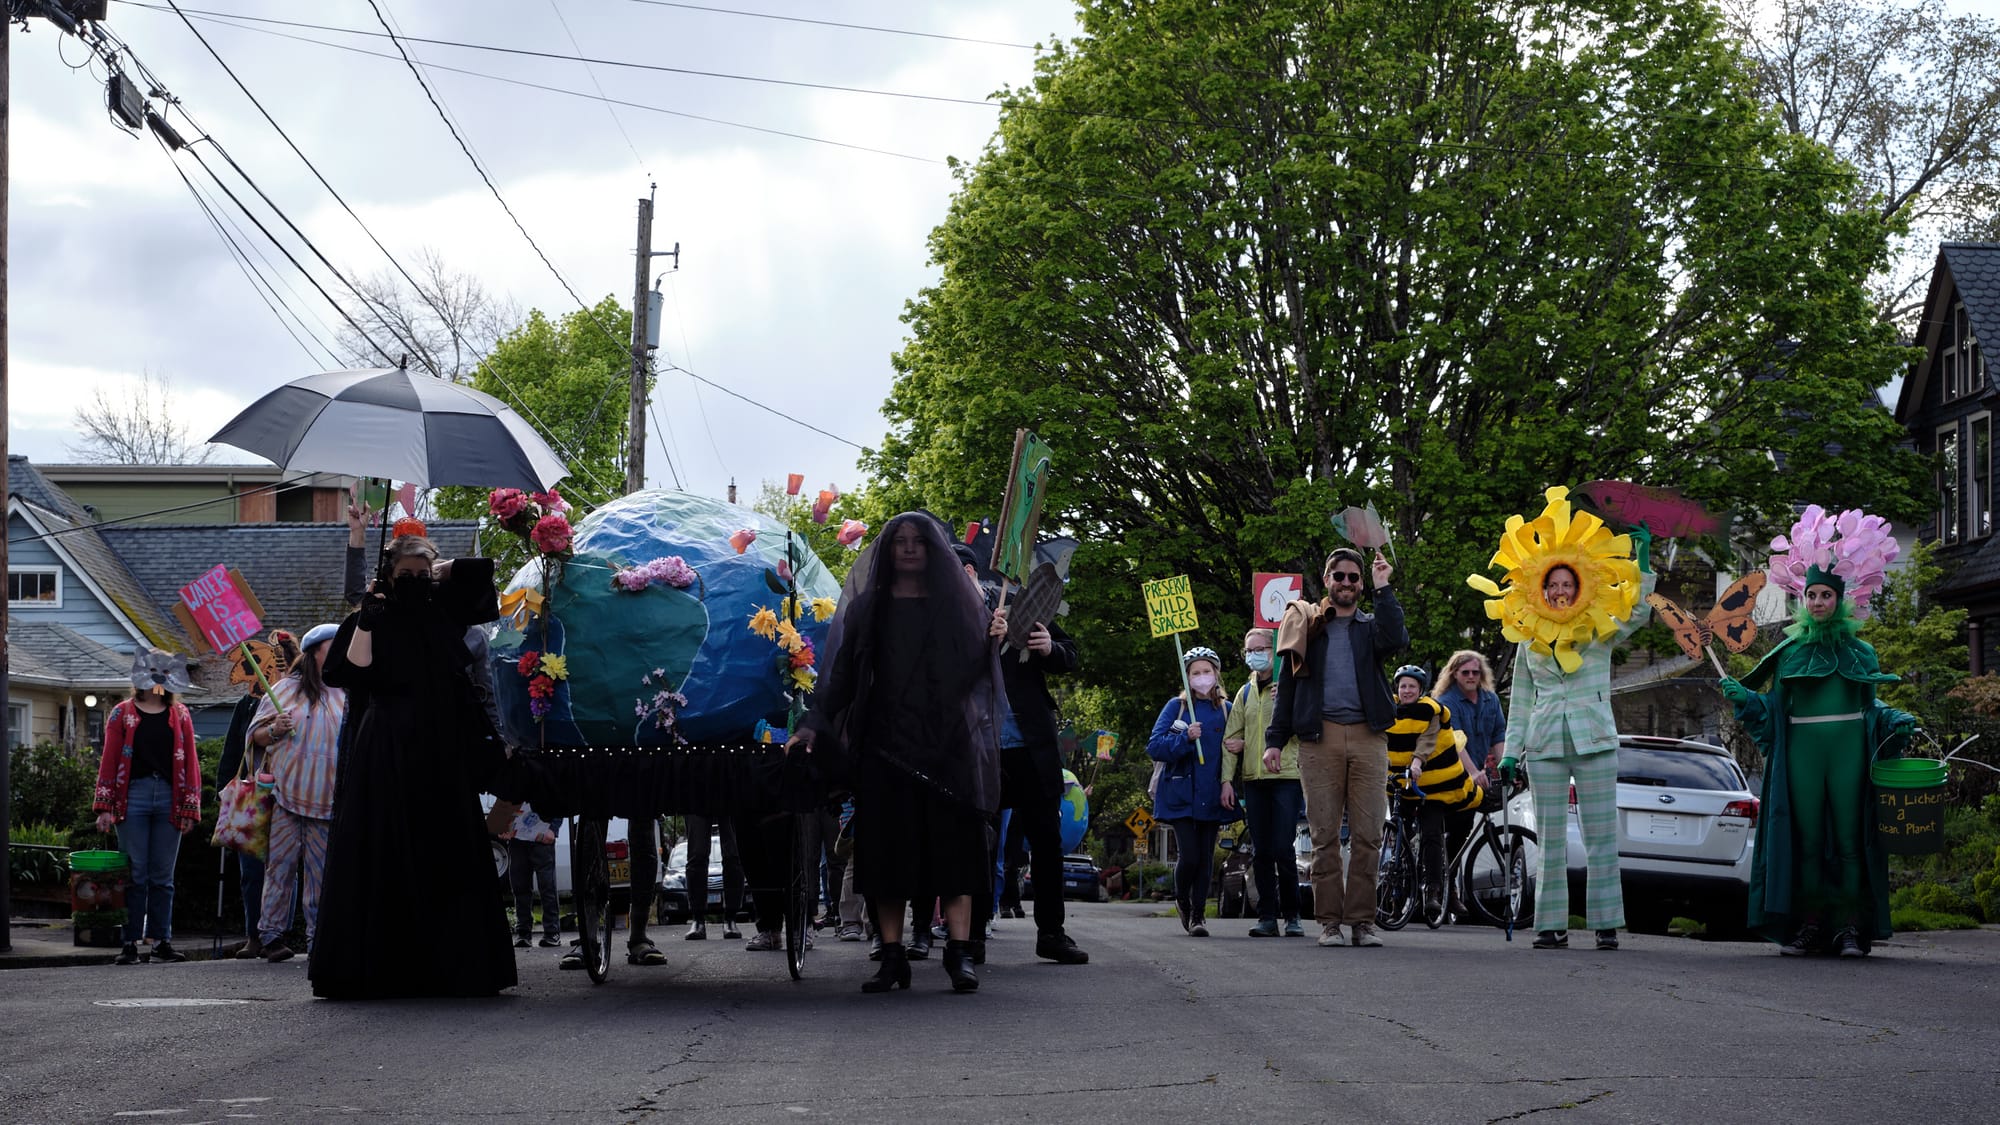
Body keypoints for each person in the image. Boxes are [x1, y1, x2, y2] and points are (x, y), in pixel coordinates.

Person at [788, 512, 1002, 994]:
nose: (908, 549)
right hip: (884, 745)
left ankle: (959, 955)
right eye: (899, 541)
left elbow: (973, 675)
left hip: (948, 744)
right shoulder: (868, 608)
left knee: (955, 853)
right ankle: (890, 958)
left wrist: (991, 640)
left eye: (917, 541)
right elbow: (841, 675)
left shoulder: (957, 605)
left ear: (932, 549)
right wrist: (812, 725)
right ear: (886, 550)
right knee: (885, 855)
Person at [312, 531, 517, 999]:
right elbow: (351, 672)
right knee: (383, 846)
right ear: (389, 574)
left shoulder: (445, 612)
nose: (416, 581)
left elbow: (481, 579)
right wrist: (367, 617)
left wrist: (437, 569)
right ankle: (381, 966)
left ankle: (450, 966)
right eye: (407, 575)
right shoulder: (372, 615)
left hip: (442, 745)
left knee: (445, 849)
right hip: (386, 743)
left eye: (423, 575)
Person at [1720, 564, 1913, 957]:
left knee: (1849, 841)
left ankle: (1849, 928)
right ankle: (1808, 923)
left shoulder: (1862, 652)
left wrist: (1894, 718)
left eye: (1826, 595)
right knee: (1806, 842)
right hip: (1802, 753)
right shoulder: (1789, 651)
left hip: (1849, 752)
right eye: (1812, 595)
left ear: (1840, 600)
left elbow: (1871, 707)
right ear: (1802, 599)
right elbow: (1773, 708)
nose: (1819, 602)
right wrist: (1745, 699)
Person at [1503, 528, 1655, 951]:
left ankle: (1606, 924)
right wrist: (1511, 753)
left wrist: (1642, 559)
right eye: (1552, 585)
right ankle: (1550, 925)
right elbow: (1520, 701)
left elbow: (1639, 612)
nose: (1560, 592)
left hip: (1595, 740)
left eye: (1567, 584)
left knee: (1601, 834)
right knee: (1550, 839)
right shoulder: (1528, 635)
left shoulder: (1597, 627)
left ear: (1579, 587)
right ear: (1542, 589)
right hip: (1546, 743)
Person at [958, 541, 1090, 966]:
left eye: (967, 569)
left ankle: (1051, 932)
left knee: (1047, 843)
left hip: (1031, 747)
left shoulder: (1022, 604)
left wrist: (1048, 646)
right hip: (980, 748)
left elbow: (1070, 656)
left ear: (978, 572)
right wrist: (982, 639)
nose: (963, 577)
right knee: (978, 844)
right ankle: (971, 936)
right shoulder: (949, 619)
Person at [1268, 547, 1406, 948]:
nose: (1346, 583)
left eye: (1354, 577)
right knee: (1323, 835)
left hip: (1368, 736)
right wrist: (1275, 741)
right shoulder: (1308, 627)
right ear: (1326, 579)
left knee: (1368, 835)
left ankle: (1363, 922)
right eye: (1339, 576)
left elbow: (1397, 638)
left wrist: (1384, 587)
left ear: (1361, 584)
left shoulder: (1370, 626)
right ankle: (1329, 923)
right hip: (1319, 738)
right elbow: (1288, 686)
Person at [93, 651, 202, 965]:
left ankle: (160, 941)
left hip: (169, 795)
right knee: (135, 873)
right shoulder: (122, 714)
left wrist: (189, 807)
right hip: (133, 797)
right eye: (152, 670)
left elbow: (191, 762)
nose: (157, 677)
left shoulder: (180, 714)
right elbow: (110, 760)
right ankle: (129, 942)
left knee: (162, 876)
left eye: (164, 671)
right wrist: (105, 807)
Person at [249, 624, 347, 963]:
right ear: (314, 652)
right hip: (286, 797)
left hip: (328, 800)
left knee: (321, 876)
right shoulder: (284, 690)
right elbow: (255, 736)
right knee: (280, 868)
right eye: (333, 648)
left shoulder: (345, 692)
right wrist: (273, 730)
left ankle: (318, 936)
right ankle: (271, 936)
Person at [1146, 646, 1234, 937]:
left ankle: (1198, 916)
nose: (1201, 677)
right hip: (1180, 793)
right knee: (1190, 856)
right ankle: (1181, 896)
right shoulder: (1177, 707)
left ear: (1216, 674)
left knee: (1207, 858)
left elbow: (1234, 748)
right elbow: (1155, 746)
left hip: (1212, 794)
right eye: (1195, 672)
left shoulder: (1226, 709)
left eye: (1206, 671)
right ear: (1186, 677)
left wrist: (1229, 778)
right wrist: (1185, 738)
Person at [1223, 627, 1305, 938]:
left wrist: (1289, 705)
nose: (1254, 655)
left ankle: (1293, 915)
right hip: (1253, 780)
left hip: (1285, 776)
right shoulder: (1244, 693)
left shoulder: (1290, 686)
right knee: (1261, 851)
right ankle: (1267, 916)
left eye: (1261, 649)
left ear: (1274, 652)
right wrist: (1226, 781)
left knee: (1283, 847)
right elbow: (1232, 738)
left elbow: (1305, 729)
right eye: (1249, 650)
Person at [1384, 666, 1483, 919]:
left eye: (1412, 687)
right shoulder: (1388, 708)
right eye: (1403, 686)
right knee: (1399, 837)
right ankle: (1398, 894)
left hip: (1431, 785)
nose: (1407, 691)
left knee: (1432, 835)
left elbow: (1428, 741)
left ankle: (1433, 891)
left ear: (1420, 690)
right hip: (1399, 784)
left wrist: (1417, 762)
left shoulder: (1431, 711)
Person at [1433, 652, 1505, 917]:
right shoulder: (1446, 702)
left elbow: (1498, 734)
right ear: (1454, 675)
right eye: (1465, 673)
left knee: (1460, 836)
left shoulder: (1491, 700)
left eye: (1475, 672)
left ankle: (1447, 886)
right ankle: (1440, 887)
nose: (1471, 677)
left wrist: (1504, 766)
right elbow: (1454, 740)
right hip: (1449, 777)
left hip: (1476, 778)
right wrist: (1473, 772)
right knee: (1450, 835)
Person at [217, 668, 276, 959]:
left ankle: (276, 935)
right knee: (252, 871)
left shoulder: (294, 699)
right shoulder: (247, 704)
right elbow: (232, 749)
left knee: (283, 869)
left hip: (287, 793)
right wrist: (223, 790)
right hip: (252, 794)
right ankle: (254, 934)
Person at [681, 814, 745, 942]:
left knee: (733, 855)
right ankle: (698, 919)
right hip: (697, 797)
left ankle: (731, 918)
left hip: (727, 796)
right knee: (696, 854)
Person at [507, 803, 562, 948]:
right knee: (520, 887)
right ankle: (523, 933)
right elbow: (504, 802)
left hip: (542, 837)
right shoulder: (513, 781)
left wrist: (553, 829)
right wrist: (502, 825)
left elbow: (559, 798)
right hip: (518, 838)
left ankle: (552, 932)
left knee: (547, 886)